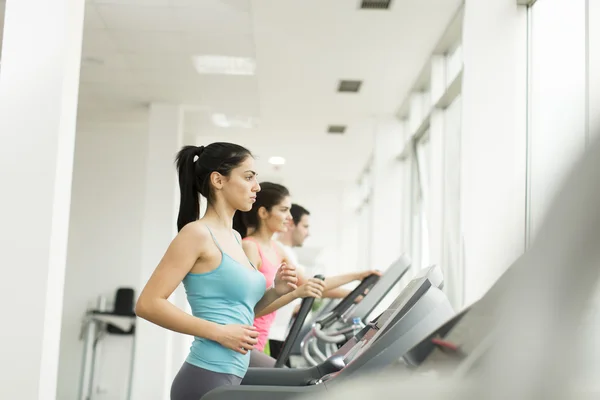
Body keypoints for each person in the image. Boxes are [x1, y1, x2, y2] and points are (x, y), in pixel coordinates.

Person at [134, 143, 300, 400]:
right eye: (248, 177)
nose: (256, 186)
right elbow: (147, 304)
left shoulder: (234, 237)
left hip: (233, 372)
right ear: (218, 180)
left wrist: (275, 291)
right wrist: (219, 333)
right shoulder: (196, 234)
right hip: (206, 375)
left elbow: (241, 313)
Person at [234, 183, 380, 366]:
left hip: (264, 337)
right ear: (263, 213)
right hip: (246, 339)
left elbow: (313, 284)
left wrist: (358, 277)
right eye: (284, 210)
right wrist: (296, 293)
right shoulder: (249, 247)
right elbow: (247, 307)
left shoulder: (276, 249)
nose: (289, 218)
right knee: (286, 385)